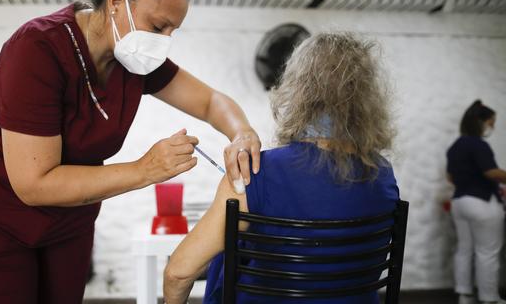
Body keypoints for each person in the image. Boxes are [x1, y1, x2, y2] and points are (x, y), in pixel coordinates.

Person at [0, 0, 262, 302]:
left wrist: (242, 132)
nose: (164, 42)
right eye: (158, 26)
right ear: (117, 2)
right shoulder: (37, 48)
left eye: (173, 31)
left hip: (67, 225)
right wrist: (145, 169)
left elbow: (211, 101)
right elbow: (33, 183)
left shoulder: (134, 63)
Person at [164, 32, 399, 303]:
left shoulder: (255, 170)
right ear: (369, 99)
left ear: (298, 91)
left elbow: (178, 273)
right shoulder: (384, 175)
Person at [447, 100, 506, 304]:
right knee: (488, 252)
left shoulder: (455, 146)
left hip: (460, 203)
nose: (493, 126)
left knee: (464, 249)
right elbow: (491, 172)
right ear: (480, 122)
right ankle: (489, 298)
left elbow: (450, 178)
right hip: (482, 203)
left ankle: (464, 295)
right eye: (491, 122)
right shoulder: (478, 144)